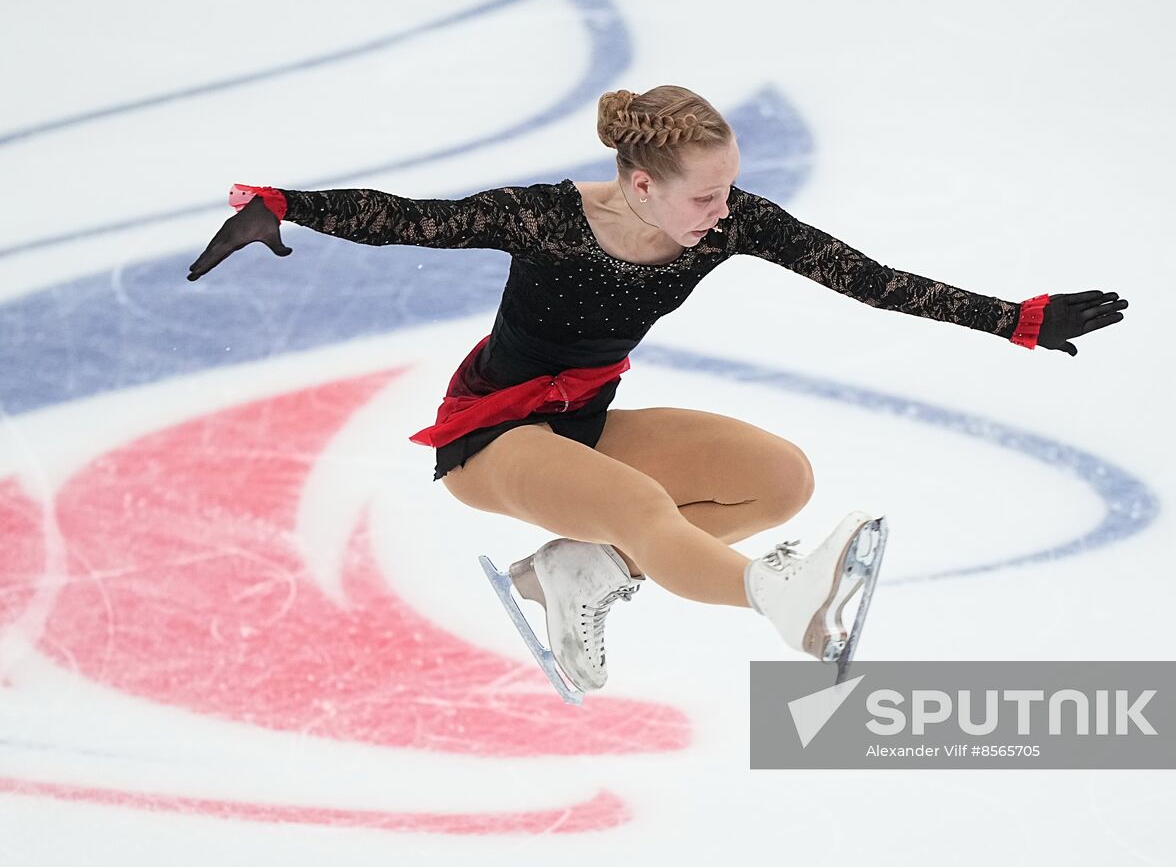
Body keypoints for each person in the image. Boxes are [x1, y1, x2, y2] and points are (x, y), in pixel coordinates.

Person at [187, 85, 1128, 703]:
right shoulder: (547, 219)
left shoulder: (727, 225)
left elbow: (866, 278)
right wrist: (284, 204)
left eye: (730, 190)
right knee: (642, 509)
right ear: (638, 185)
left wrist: (1013, 318)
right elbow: (411, 222)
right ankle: (778, 602)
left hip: (583, 425)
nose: (726, 212)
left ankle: (581, 573)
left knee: (778, 479)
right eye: (705, 197)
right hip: (495, 437)